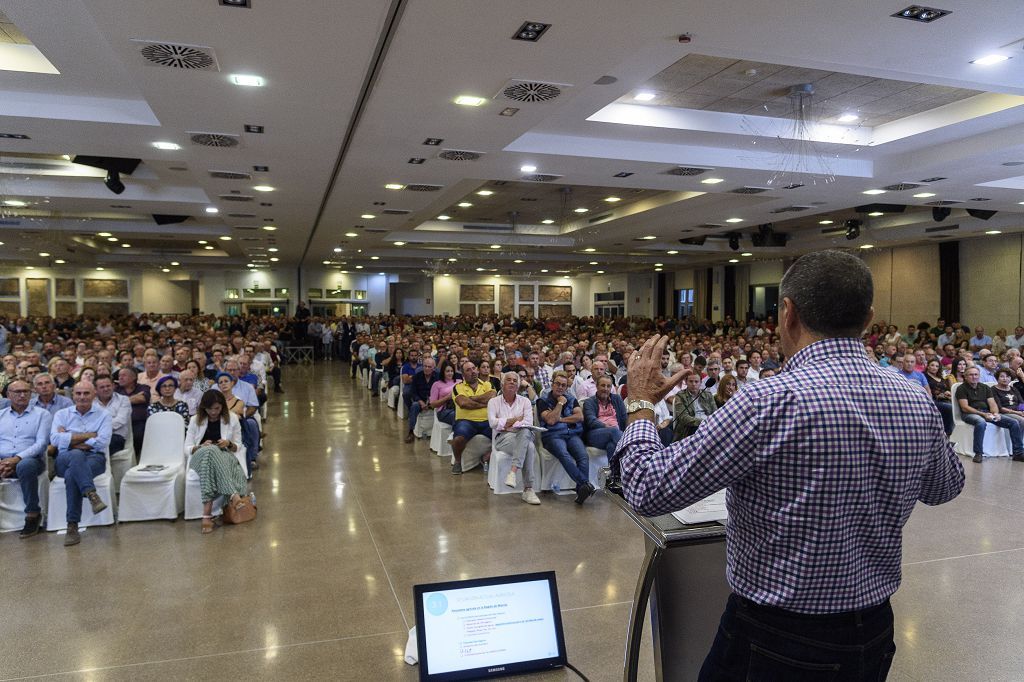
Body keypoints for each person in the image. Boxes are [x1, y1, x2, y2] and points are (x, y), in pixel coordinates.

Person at [614, 250, 964, 680]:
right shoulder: (912, 397)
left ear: (788, 314)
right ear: (869, 318)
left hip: (776, 635)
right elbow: (945, 487)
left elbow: (648, 488)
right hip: (873, 627)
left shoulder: (767, 402)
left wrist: (640, 405)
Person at [51, 381, 112, 547]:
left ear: (94, 395)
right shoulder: (61, 414)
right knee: (75, 456)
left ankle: (72, 525)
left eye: (86, 393)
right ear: (73, 395)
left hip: (94, 459)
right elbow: (55, 440)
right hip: (64, 459)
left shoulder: (104, 414)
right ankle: (91, 494)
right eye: (78, 393)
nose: (82, 397)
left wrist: (69, 437)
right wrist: (89, 435)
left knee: (73, 474)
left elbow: (103, 442)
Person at [185, 390, 248, 534]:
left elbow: (238, 445)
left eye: (217, 408)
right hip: (199, 455)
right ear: (204, 408)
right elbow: (186, 447)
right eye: (209, 409)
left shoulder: (232, 418)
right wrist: (200, 446)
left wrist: (228, 443)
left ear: (222, 407)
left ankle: (206, 515)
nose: (213, 412)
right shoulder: (195, 420)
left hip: (224, 454)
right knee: (209, 451)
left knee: (211, 456)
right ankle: (233, 494)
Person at [0, 380, 52, 538]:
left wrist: (16, 459)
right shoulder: (1, 415)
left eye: (26, 391)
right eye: (17, 392)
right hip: (3, 461)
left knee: (25, 465)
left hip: (31, 460)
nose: (22, 395)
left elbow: (42, 444)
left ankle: (33, 514)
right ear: (8, 395)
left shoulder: (42, 414)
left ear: (31, 394)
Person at [537, 370, 594, 503]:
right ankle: (585, 483)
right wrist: (560, 403)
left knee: (583, 456)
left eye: (563, 385)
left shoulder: (572, 399)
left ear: (567, 387)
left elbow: (579, 417)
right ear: (552, 384)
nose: (560, 387)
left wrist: (561, 419)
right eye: (558, 384)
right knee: (564, 454)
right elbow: (550, 421)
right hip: (553, 436)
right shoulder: (543, 401)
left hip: (572, 434)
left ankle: (582, 491)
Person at [486, 372, 541, 505]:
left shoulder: (525, 401)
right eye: (508, 380)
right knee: (529, 445)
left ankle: (513, 472)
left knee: (527, 437)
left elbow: (527, 423)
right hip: (503, 439)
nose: (512, 382)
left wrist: (506, 424)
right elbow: (493, 423)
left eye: (515, 381)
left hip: (522, 435)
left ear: (518, 385)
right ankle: (528, 489)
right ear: (502, 384)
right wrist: (516, 420)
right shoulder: (493, 402)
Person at [956, 366, 1024, 463]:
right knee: (981, 422)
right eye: (971, 375)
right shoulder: (961, 388)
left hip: (986, 412)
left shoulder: (985, 387)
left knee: (1013, 422)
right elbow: (965, 407)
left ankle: (1018, 453)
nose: (974, 377)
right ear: (965, 376)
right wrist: (983, 415)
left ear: (979, 376)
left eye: (976, 374)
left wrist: (995, 413)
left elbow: (992, 404)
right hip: (970, 413)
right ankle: (978, 453)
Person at [450, 360, 495, 475]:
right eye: (468, 370)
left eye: (474, 368)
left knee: (503, 435)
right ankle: (458, 462)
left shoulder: (487, 384)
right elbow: (463, 403)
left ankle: (487, 456)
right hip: (466, 421)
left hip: (487, 420)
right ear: (463, 374)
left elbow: (492, 397)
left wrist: (471, 398)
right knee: (458, 439)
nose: (473, 371)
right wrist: (485, 403)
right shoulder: (457, 387)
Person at [582, 375, 627, 463]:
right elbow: (591, 421)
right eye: (603, 385)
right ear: (597, 386)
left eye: (608, 386)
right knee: (613, 431)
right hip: (595, 434)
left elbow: (624, 417)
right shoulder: (589, 402)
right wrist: (606, 426)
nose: (605, 389)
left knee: (611, 446)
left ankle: (614, 474)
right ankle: (631, 456)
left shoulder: (617, 399)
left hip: (616, 434)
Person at [115, 367, 150, 456]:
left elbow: (142, 398)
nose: (120, 378)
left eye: (124, 375)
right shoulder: (116, 390)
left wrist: (122, 401)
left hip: (138, 423)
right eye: (119, 376)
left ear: (133, 377)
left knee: (139, 434)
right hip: (121, 423)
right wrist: (133, 398)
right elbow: (114, 404)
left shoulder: (143, 387)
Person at [93, 374, 131, 455]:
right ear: (95, 390)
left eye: (108, 386)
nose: (106, 389)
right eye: (102, 387)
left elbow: (120, 421)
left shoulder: (123, 400)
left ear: (113, 386)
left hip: (116, 437)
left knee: (97, 448)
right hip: (95, 436)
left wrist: (99, 429)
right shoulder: (92, 403)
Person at [673, 371, 716, 440]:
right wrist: (703, 422)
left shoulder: (708, 395)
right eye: (691, 381)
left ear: (701, 382)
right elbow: (684, 418)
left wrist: (709, 423)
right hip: (689, 428)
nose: (693, 384)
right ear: (686, 382)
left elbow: (715, 413)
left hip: (708, 426)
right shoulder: (680, 395)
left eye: (696, 381)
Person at [405, 357, 438, 443]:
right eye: (425, 366)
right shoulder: (417, 376)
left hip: (434, 401)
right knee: (414, 406)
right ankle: (411, 431)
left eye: (429, 367)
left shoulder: (438, 377)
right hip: (420, 401)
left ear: (433, 368)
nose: (427, 368)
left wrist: (432, 401)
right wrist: (421, 402)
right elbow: (413, 392)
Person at [923, 359, 954, 437]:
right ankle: (947, 433)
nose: (934, 367)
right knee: (950, 407)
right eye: (932, 365)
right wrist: (940, 395)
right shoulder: (924, 376)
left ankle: (951, 433)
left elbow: (946, 388)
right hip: (933, 400)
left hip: (945, 399)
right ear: (928, 366)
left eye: (937, 366)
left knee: (956, 406)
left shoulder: (941, 377)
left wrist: (948, 392)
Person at [429, 361, 457, 426]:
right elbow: (433, 405)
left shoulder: (459, 381)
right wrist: (447, 397)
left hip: (458, 407)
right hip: (443, 411)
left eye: (452, 371)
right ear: (443, 372)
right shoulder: (437, 384)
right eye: (447, 371)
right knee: (456, 416)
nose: (450, 373)